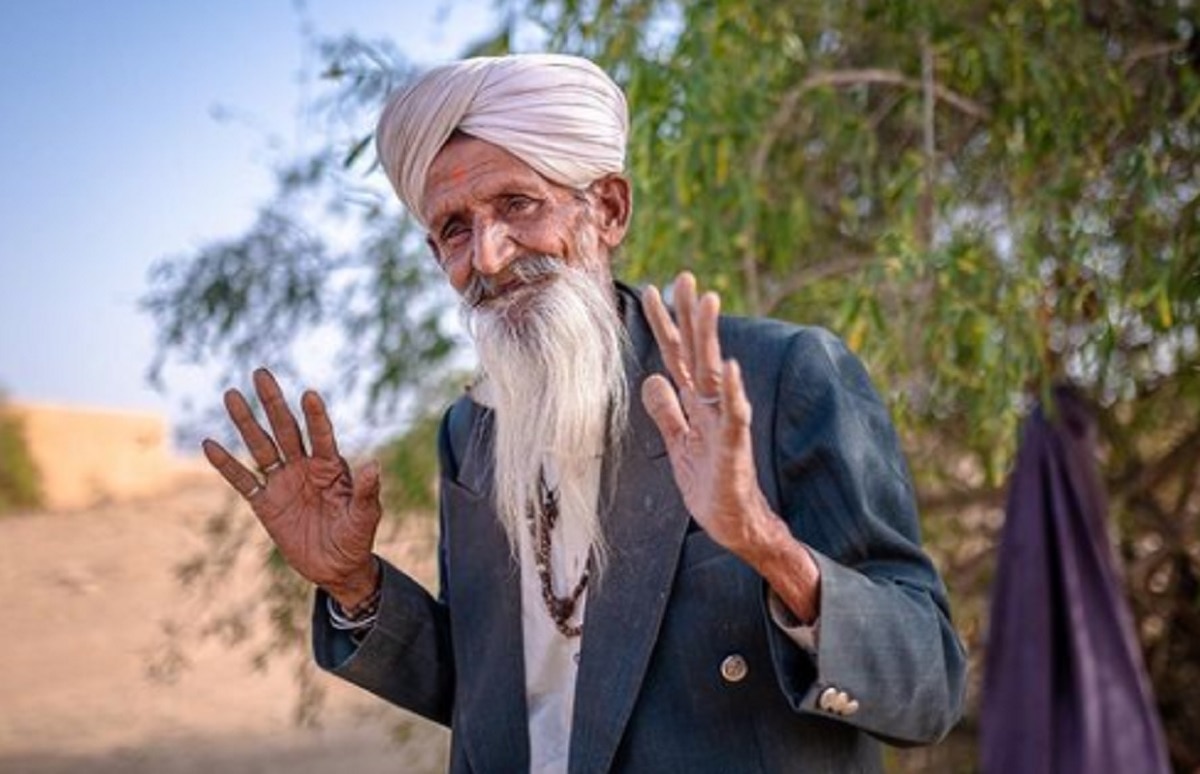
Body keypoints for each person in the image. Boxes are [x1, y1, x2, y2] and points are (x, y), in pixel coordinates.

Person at [203, 53, 966, 773]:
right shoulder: (470, 433)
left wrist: (768, 547)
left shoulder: (775, 379)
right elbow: (497, 693)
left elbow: (929, 682)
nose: (491, 256)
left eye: (517, 205)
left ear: (607, 208)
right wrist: (355, 588)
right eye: (454, 230)